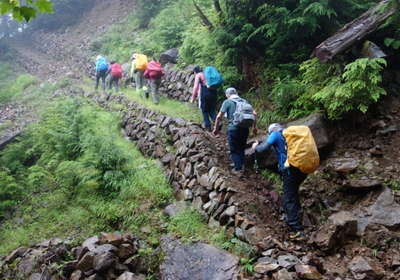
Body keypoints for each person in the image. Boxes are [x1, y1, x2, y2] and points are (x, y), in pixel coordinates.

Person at [251, 123, 307, 241]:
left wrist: (255, 146)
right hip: (301, 168)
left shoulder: (275, 134)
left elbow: (262, 149)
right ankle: (299, 217)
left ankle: (297, 230)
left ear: (271, 131)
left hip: (289, 170)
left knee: (288, 198)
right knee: (293, 193)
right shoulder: (290, 134)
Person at [213, 88, 257, 174]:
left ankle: (238, 169)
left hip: (233, 128)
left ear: (227, 95)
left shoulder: (227, 102)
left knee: (234, 149)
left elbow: (218, 117)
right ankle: (241, 165)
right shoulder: (244, 101)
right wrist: (254, 128)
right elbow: (254, 114)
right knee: (241, 148)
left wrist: (216, 128)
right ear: (236, 93)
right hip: (245, 129)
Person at [190, 66, 217, 131]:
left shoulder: (198, 75)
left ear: (195, 72)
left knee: (204, 110)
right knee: (212, 109)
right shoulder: (207, 74)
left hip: (205, 93)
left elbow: (195, 87)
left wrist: (193, 98)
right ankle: (217, 123)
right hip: (214, 92)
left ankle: (208, 127)